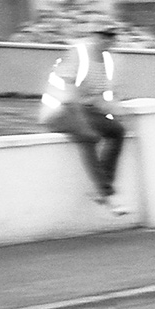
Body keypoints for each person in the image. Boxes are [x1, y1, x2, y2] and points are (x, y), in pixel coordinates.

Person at [37, 23, 126, 203]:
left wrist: (118, 112)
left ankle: (104, 185)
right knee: (88, 136)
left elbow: (101, 97)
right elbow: (69, 93)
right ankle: (106, 193)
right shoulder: (79, 53)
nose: (106, 41)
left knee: (117, 131)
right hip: (59, 111)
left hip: (84, 110)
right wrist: (83, 122)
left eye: (110, 37)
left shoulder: (109, 60)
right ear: (94, 36)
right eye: (102, 36)